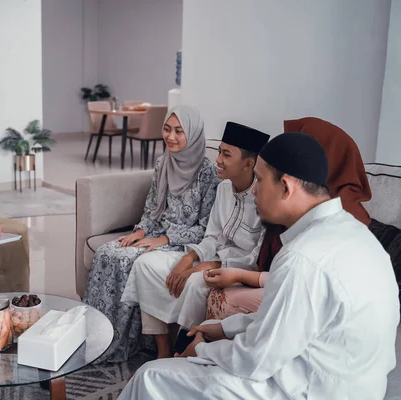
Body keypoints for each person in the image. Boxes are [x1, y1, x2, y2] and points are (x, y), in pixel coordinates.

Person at [119, 132, 399, 399]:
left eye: (261, 181)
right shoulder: (355, 234)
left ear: (286, 187)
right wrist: (224, 328)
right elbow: (285, 321)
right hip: (352, 383)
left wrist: (202, 350)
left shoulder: (303, 258)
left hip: (311, 389)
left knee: (151, 376)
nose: (254, 192)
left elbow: (255, 360)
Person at [83, 105, 220, 363]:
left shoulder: (207, 173)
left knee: (127, 261)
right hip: (157, 233)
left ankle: (124, 342)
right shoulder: (163, 162)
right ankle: (96, 336)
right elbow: (152, 208)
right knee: (108, 252)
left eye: (179, 131)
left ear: (193, 133)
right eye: (167, 129)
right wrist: (142, 230)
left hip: (185, 244)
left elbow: (205, 228)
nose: (171, 137)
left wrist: (164, 240)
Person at [121, 121, 270, 358]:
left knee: (195, 283)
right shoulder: (223, 190)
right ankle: (162, 349)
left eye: (226, 154)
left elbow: (255, 258)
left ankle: (182, 353)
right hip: (210, 256)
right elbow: (212, 237)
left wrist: (206, 266)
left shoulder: (264, 199)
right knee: (146, 265)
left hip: (235, 270)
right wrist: (189, 258)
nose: (218, 159)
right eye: (219, 151)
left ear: (248, 164)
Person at [205, 117, 373, 320]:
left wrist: (239, 274)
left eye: (303, 151)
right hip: (276, 291)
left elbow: (294, 291)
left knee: (220, 299)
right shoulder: (293, 205)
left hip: (303, 312)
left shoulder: (341, 226)